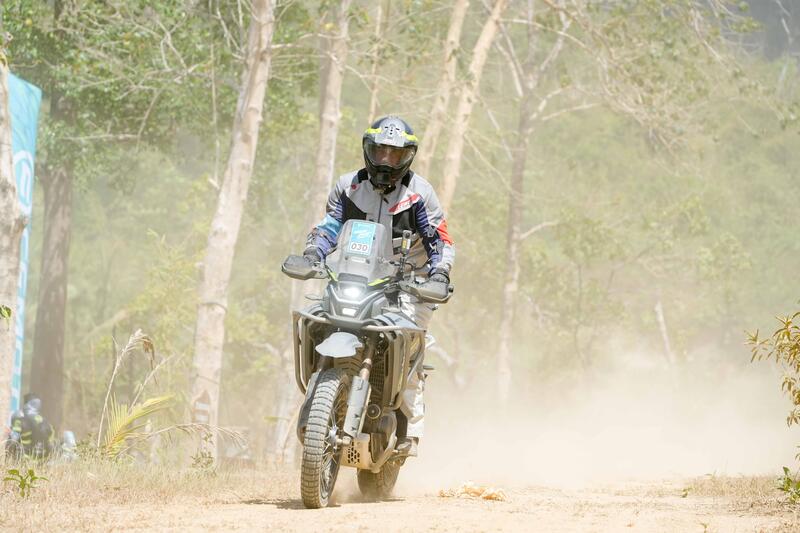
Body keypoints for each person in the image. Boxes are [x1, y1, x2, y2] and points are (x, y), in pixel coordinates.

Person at [300, 115, 455, 457]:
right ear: (367, 150)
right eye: (380, 151)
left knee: (410, 343)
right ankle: (319, 400)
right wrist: (312, 252)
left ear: (407, 157)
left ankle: (410, 430)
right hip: (355, 278)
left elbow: (440, 241)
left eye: (394, 154)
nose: (386, 160)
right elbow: (329, 226)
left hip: (409, 285)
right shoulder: (348, 186)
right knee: (314, 319)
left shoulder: (420, 195)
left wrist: (439, 274)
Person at [6, 393, 55, 460]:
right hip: (41, 461)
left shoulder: (20, 419)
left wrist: (7, 458)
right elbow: (51, 445)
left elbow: (13, 440)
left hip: (23, 460)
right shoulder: (45, 421)